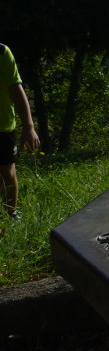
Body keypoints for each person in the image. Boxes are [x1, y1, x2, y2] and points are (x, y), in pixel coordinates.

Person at [1, 43, 40, 221]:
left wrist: (29, 127)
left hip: (3, 125)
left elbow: (16, 89)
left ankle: (10, 213)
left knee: (7, 172)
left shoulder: (2, 52)